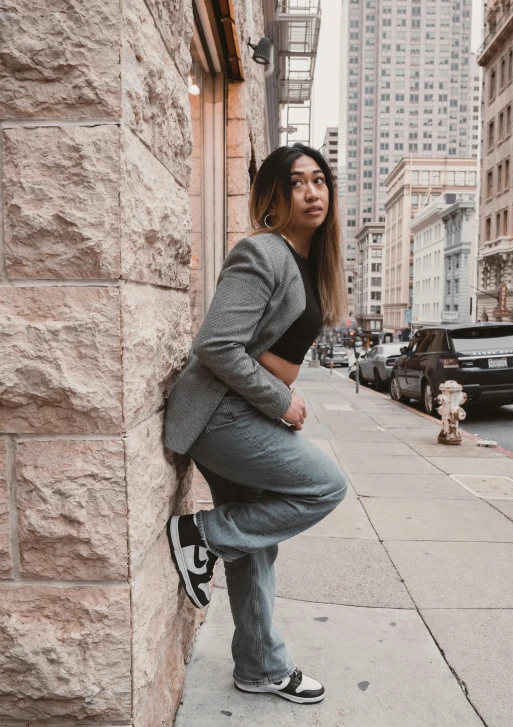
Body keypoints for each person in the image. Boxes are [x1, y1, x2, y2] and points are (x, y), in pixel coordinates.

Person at [164, 143, 348, 705]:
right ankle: (199, 535)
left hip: (244, 410)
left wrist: (280, 393)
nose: (313, 192)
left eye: (319, 180)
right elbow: (216, 343)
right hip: (221, 415)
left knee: (257, 542)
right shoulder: (263, 252)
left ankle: (260, 667)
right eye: (297, 183)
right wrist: (280, 402)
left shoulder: (307, 260)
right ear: (273, 195)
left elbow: (260, 345)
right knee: (325, 485)